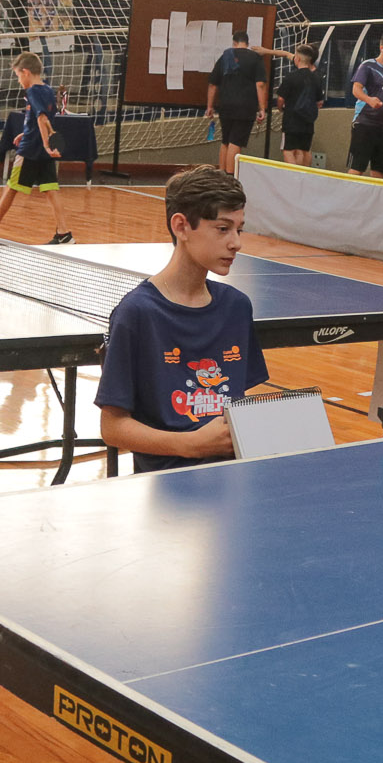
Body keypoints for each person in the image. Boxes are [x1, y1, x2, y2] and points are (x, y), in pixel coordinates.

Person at [95, 166, 268, 474]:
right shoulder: (137, 313)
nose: (236, 243)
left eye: (239, 230)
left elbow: (242, 404)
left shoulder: (237, 307)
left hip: (233, 477)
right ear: (181, 226)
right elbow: (113, 428)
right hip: (167, 483)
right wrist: (190, 444)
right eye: (222, 228)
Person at [0, 51, 71, 243]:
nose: (18, 80)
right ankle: (64, 234)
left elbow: (42, 118)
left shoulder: (33, 92)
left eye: (18, 76)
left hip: (30, 151)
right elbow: (43, 119)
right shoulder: (47, 89)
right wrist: (26, 133)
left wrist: (46, 144)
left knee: (11, 188)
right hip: (39, 148)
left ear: (26, 72)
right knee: (51, 190)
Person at [205, 26, 268, 173]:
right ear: (247, 43)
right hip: (245, 106)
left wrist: (209, 106)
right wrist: (262, 108)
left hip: (225, 105)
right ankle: (230, 176)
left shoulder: (225, 57)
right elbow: (260, 84)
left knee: (225, 141)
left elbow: (213, 84)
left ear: (234, 43)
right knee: (236, 142)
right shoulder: (255, 58)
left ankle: (222, 174)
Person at [347, 33, 383, 176]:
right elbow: (356, 89)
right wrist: (369, 100)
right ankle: (347, 191)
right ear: (382, 48)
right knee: (357, 168)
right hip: (365, 123)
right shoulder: (367, 66)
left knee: (379, 171)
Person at [274, 43, 323, 167]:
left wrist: (281, 108)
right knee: (304, 150)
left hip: (292, 120)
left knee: (288, 150)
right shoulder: (316, 78)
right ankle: (304, 175)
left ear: (298, 59)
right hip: (308, 121)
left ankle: (294, 175)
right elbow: (319, 102)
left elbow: (280, 98)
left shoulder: (291, 77)